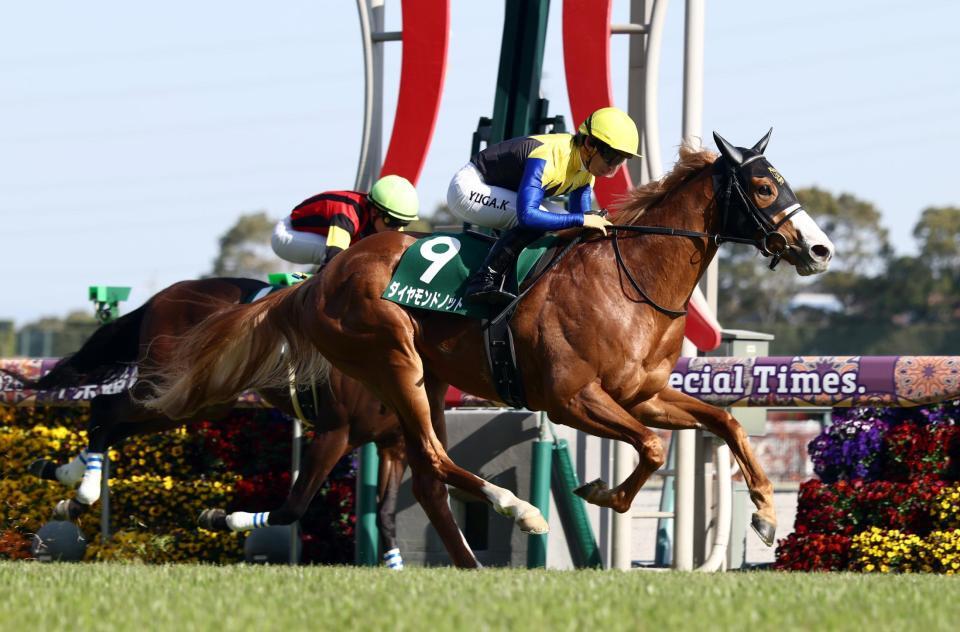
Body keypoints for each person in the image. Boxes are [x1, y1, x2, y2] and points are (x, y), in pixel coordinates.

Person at [446, 106, 641, 305]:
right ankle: (483, 280)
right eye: (611, 157)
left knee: (564, 221)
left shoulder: (587, 171)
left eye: (621, 160)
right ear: (589, 143)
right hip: (468, 188)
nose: (613, 167)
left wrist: (592, 221)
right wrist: (582, 219)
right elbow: (528, 215)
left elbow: (579, 219)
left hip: (500, 192)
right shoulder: (549, 156)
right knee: (544, 218)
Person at [272, 174, 419, 270]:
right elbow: (334, 259)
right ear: (375, 212)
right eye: (391, 221)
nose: (396, 229)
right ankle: (307, 286)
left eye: (403, 223)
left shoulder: (386, 221)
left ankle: (303, 280)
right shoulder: (347, 213)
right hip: (288, 234)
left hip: (316, 236)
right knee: (346, 257)